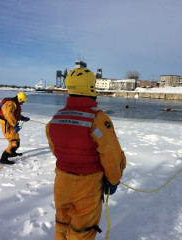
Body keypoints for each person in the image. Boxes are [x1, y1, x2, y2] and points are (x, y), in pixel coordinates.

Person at [46, 68, 126, 240]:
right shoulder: (97, 119)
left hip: (62, 183)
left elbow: (56, 149)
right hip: (88, 186)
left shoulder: (56, 118)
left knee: (62, 225)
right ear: (91, 88)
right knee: (82, 231)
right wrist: (113, 180)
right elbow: (111, 155)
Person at [0, 92, 30, 165]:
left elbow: (14, 114)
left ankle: (12, 153)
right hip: (7, 124)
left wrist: (22, 118)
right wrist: (15, 125)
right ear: (20, 99)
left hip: (11, 123)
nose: (23, 103)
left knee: (16, 139)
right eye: (23, 101)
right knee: (14, 141)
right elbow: (8, 115)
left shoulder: (14, 103)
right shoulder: (10, 103)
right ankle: (3, 158)